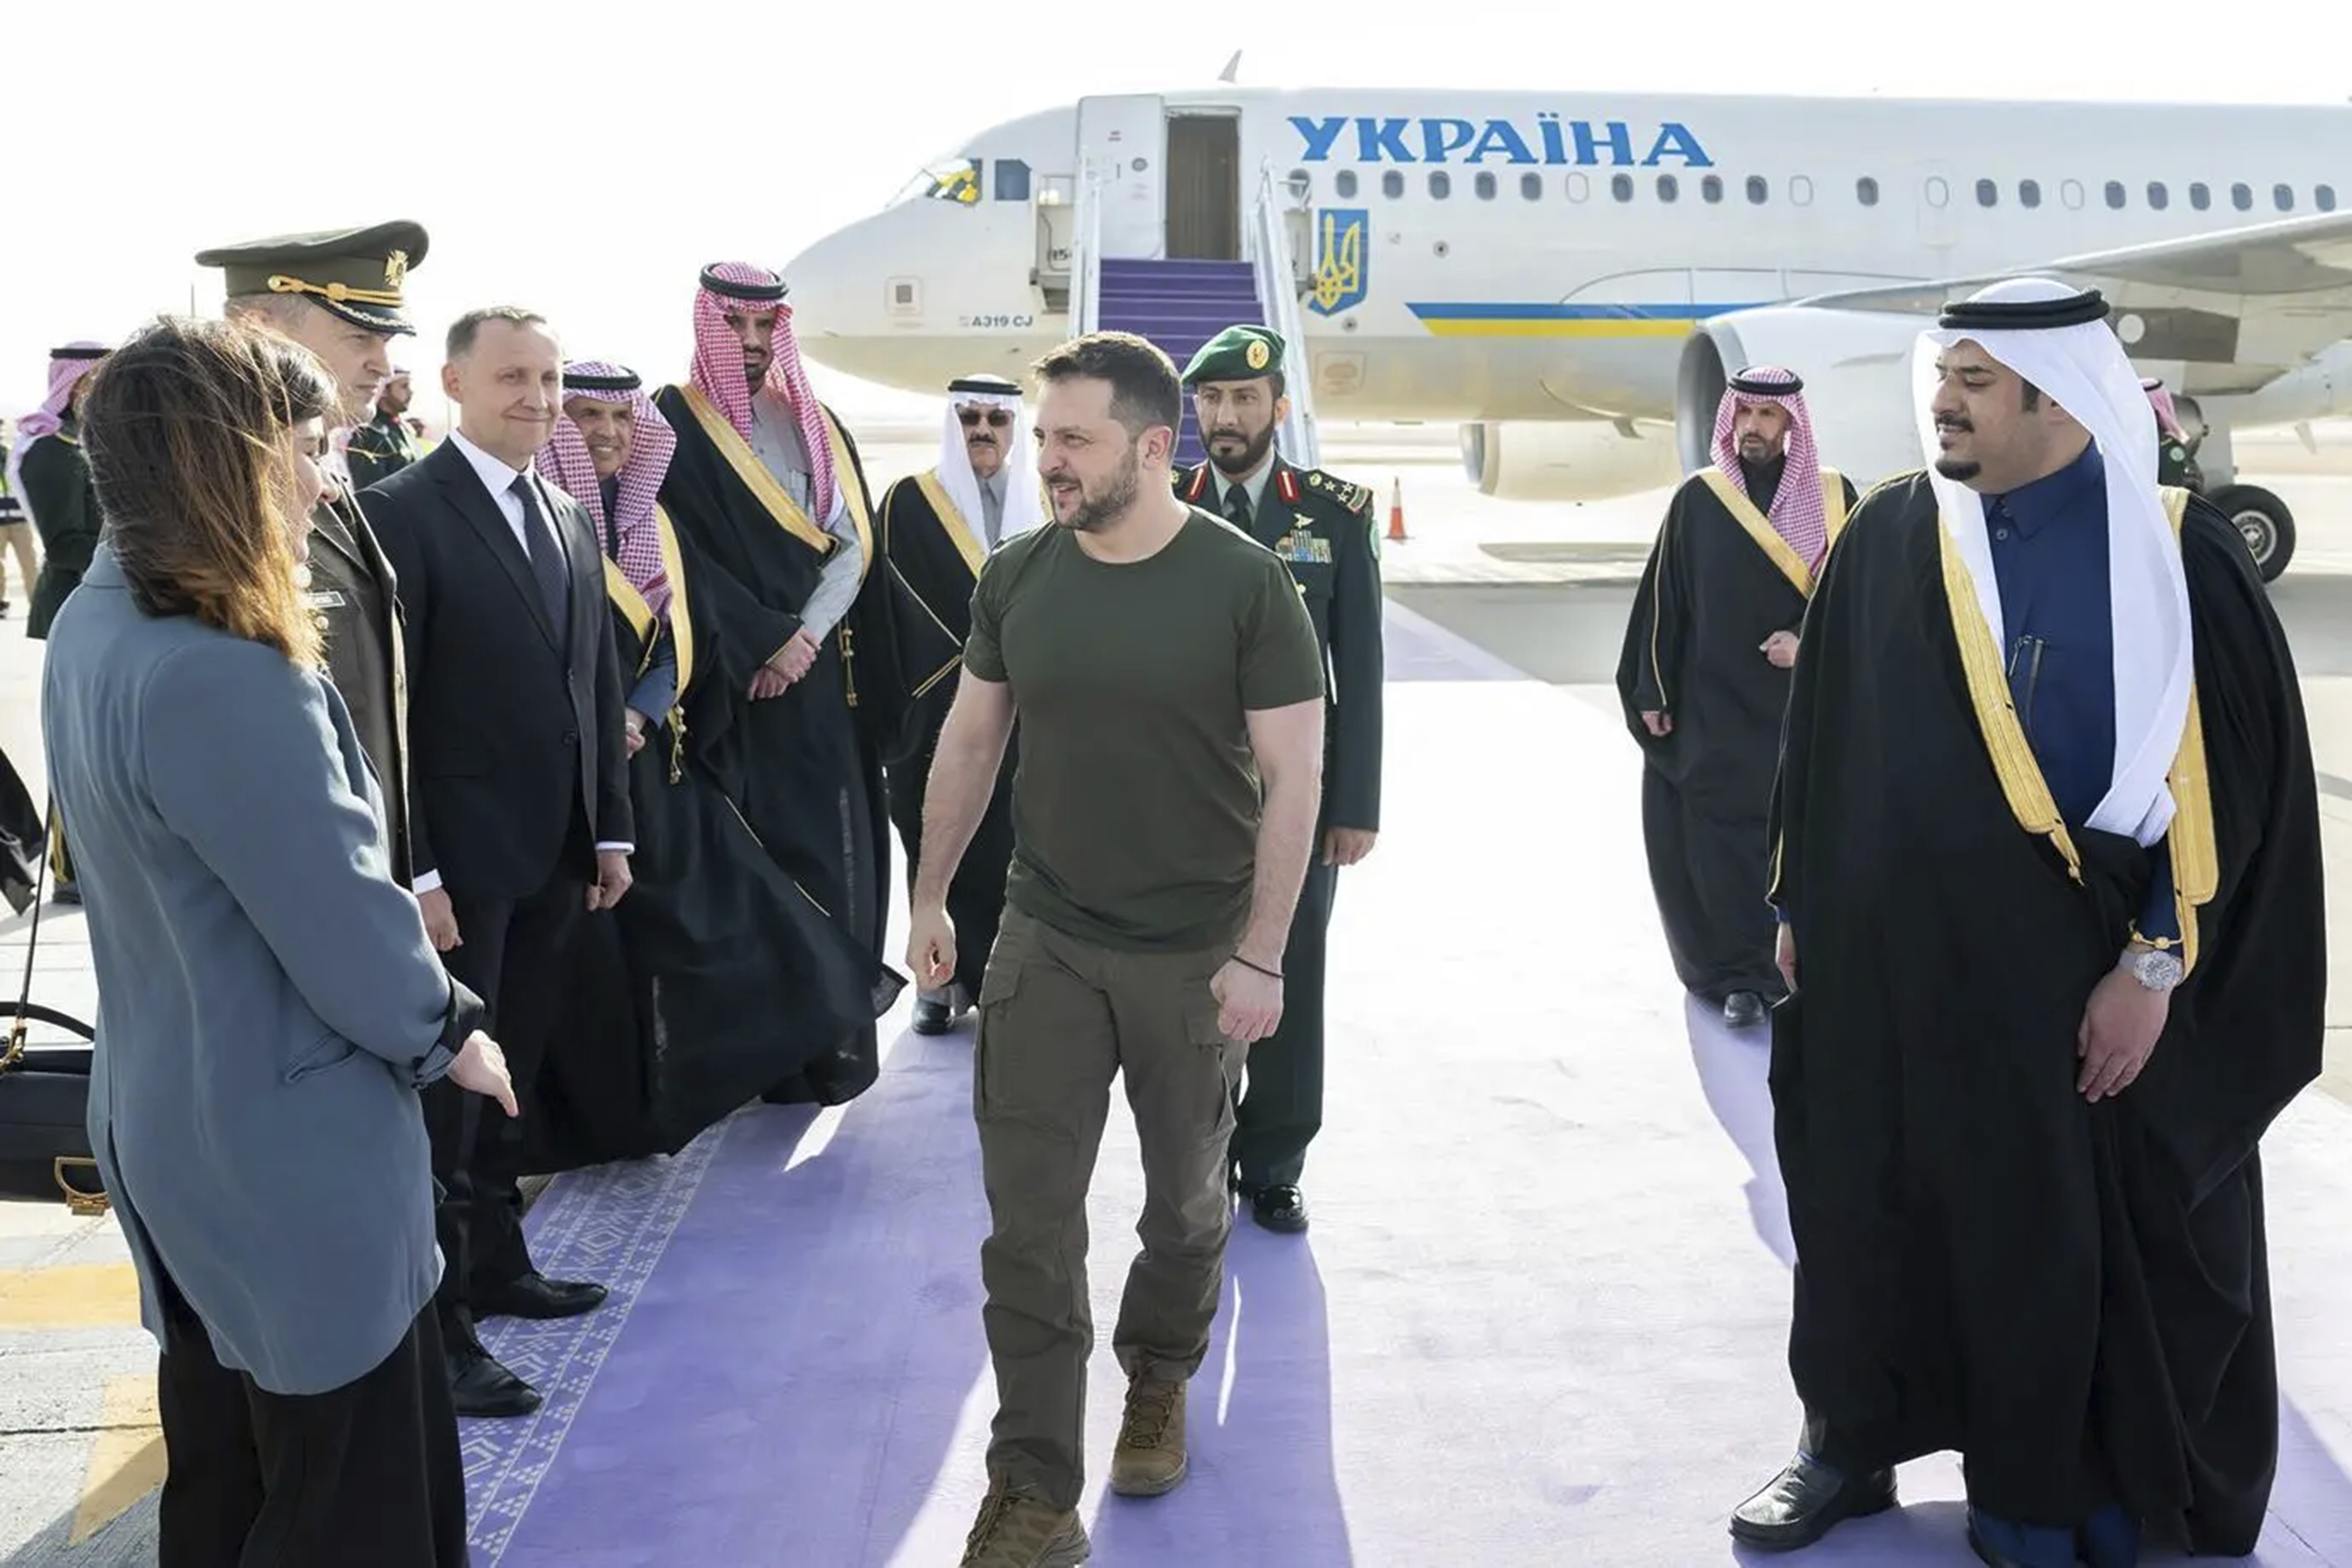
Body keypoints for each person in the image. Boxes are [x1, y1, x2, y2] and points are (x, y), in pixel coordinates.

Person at [1735, 278, 2322, 1568]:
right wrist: (1796, 903)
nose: (1940, 402)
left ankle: (2062, 1480)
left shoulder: (2174, 552)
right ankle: (1848, 1442)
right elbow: (1820, 741)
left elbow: (2235, 788)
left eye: (1973, 383)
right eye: (1941, 376)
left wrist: (2150, 968)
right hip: (1894, 969)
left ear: (2056, 398)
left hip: (2083, 977)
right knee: (1867, 1202)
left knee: (2065, 1239)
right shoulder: (1891, 535)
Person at [41, 314, 518, 1567]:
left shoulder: (96, 621)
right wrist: (449, 1030)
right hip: (287, 1153)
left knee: (225, 1478)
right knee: (354, 1504)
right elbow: (341, 925)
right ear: (228, 461)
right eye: (310, 447)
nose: (330, 480)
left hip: (167, 1127)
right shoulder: (227, 671)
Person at [906, 332, 1326, 1568]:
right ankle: (1034, 1491)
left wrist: (1261, 955)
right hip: (1046, 935)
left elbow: (1295, 777)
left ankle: (1158, 1374)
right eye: (1044, 438)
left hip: (1195, 954)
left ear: (1150, 446)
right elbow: (970, 743)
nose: (1049, 461)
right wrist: (929, 899)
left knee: (1187, 1203)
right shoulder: (1018, 576)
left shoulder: (1246, 585)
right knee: (1026, 1227)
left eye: (1074, 440)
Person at [360, 307, 636, 1419]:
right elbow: (387, 711)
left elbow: (595, 682)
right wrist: (417, 872)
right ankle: (444, 1330)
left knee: (510, 1076)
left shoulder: (564, 512)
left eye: (550, 377)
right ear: (455, 384)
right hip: (459, 872)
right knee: (448, 1102)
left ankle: (496, 1264)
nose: (538, 397)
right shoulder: (401, 512)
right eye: (513, 376)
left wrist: (609, 829)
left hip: (556, 854)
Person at [524, 360, 904, 1168]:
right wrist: (596, 723)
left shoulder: (654, 525)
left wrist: (637, 712)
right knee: (583, 959)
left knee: (720, 925)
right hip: (561, 776)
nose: (605, 434)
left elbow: (680, 638)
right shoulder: (531, 521)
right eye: (586, 416)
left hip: (651, 767)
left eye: (620, 419)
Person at [650, 262, 902, 1105]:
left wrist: (803, 639)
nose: (752, 343)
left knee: (829, 859)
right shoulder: (668, 424)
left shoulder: (817, 424)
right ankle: (747, 1060)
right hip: (724, 688)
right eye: (735, 326)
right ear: (707, 323)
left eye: (766, 327)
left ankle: (826, 1051)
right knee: (741, 870)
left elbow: (854, 547)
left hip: (814, 685)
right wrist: (762, 639)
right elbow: (674, 553)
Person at [1171, 323, 1383, 1233]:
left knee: (1290, 968)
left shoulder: (1332, 515)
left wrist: (1354, 804)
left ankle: (1276, 1162)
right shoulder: (1162, 503)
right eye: (1212, 399)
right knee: (1189, 982)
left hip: (1296, 797)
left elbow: (1360, 671)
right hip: (1184, 796)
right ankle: (1197, 1157)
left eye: (1244, 399)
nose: (1226, 416)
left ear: (1278, 409)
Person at [1616, 366, 1856, 1029]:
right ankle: (1740, 979)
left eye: (1767, 415)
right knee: (1721, 845)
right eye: (1744, 414)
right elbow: (1665, 601)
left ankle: (1800, 971)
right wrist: (1652, 688)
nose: (1753, 427)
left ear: (1791, 424)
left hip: (1800, 707)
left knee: (1799, 837)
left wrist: (1805, 641)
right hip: (1715, 706)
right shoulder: (1701, 499)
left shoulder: (1834, 497)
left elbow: (1857, 593)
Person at [203, 221, 426, 883]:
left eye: (386, 342)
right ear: (259, 328)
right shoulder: (209, 508)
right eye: (359, 337)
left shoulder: (325, 475)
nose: (383, 365)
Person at [876, 372, 1042, 1035]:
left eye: (996, 420)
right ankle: (937, 983)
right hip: (935, 713)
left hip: (1031, 713)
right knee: (937, 840)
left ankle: (1008, 978)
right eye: (969, 419)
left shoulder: (1047, 504)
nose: (982, 431)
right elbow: (889, 610)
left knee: (1015, 847)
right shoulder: (910, 503)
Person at [14, 341, 108, 639]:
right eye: (102, 381)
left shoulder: (81, 443)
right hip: (74, 607)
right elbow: (63, 546)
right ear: (76, 387)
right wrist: (144, 558)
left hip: (94, 603)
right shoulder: (52, 449)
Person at [348, 363, 424, 488]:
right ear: (384, 391)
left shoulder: (405, 429)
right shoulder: (369, 436)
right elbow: (371, 491)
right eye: (404, 386)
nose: (411, 392)